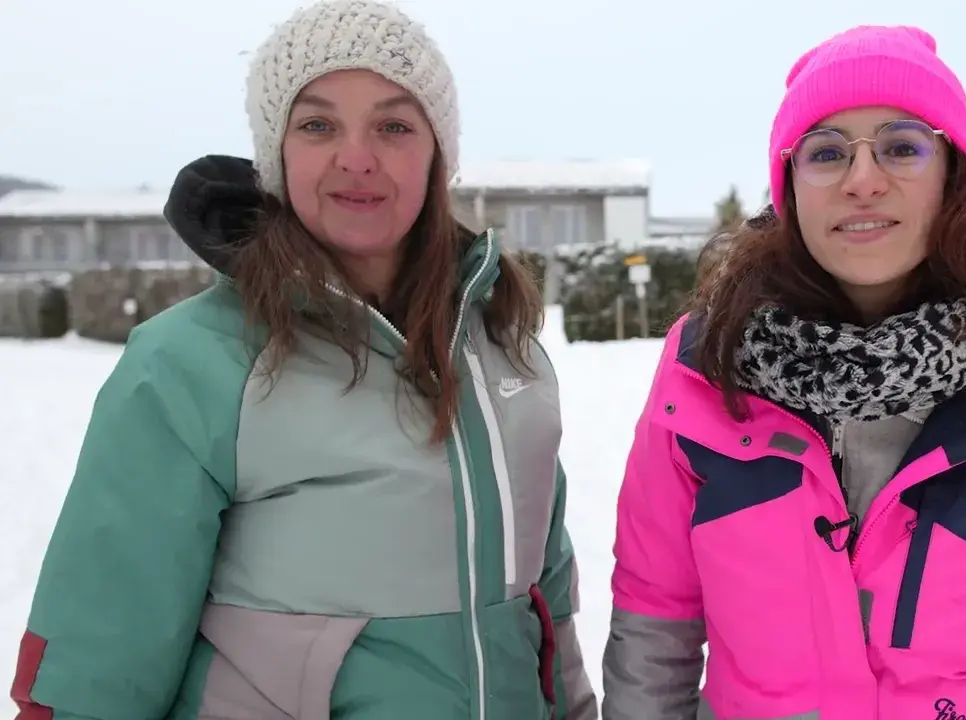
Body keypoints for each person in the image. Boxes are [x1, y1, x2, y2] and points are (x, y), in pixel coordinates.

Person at [10, 2, 597, 718]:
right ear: (276, 154)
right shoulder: (191, 364)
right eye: (318, 124)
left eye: (394, 125)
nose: (357, 157)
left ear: (437, 156)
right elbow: (96, 660)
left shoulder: (508, 352)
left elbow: (549, 605)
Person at [603, 25, 966, 720]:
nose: (864, 181)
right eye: (827, 152)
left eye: (901, 146)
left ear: (954, 176)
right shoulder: (706, 370)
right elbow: (656, 624)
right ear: (790, 185)